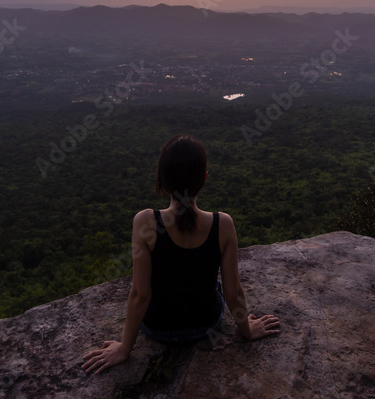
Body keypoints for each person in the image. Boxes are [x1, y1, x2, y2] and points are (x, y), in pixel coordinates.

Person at [81, 134, 280, 375]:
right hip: (206, 326)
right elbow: (233, 291)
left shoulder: (145, 222)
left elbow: (140, 294)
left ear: (162, 181)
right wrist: (246, 330)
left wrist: (124, 349)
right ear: (204, 179)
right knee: (214, 286)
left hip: (157, 329)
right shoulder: (223, 224)